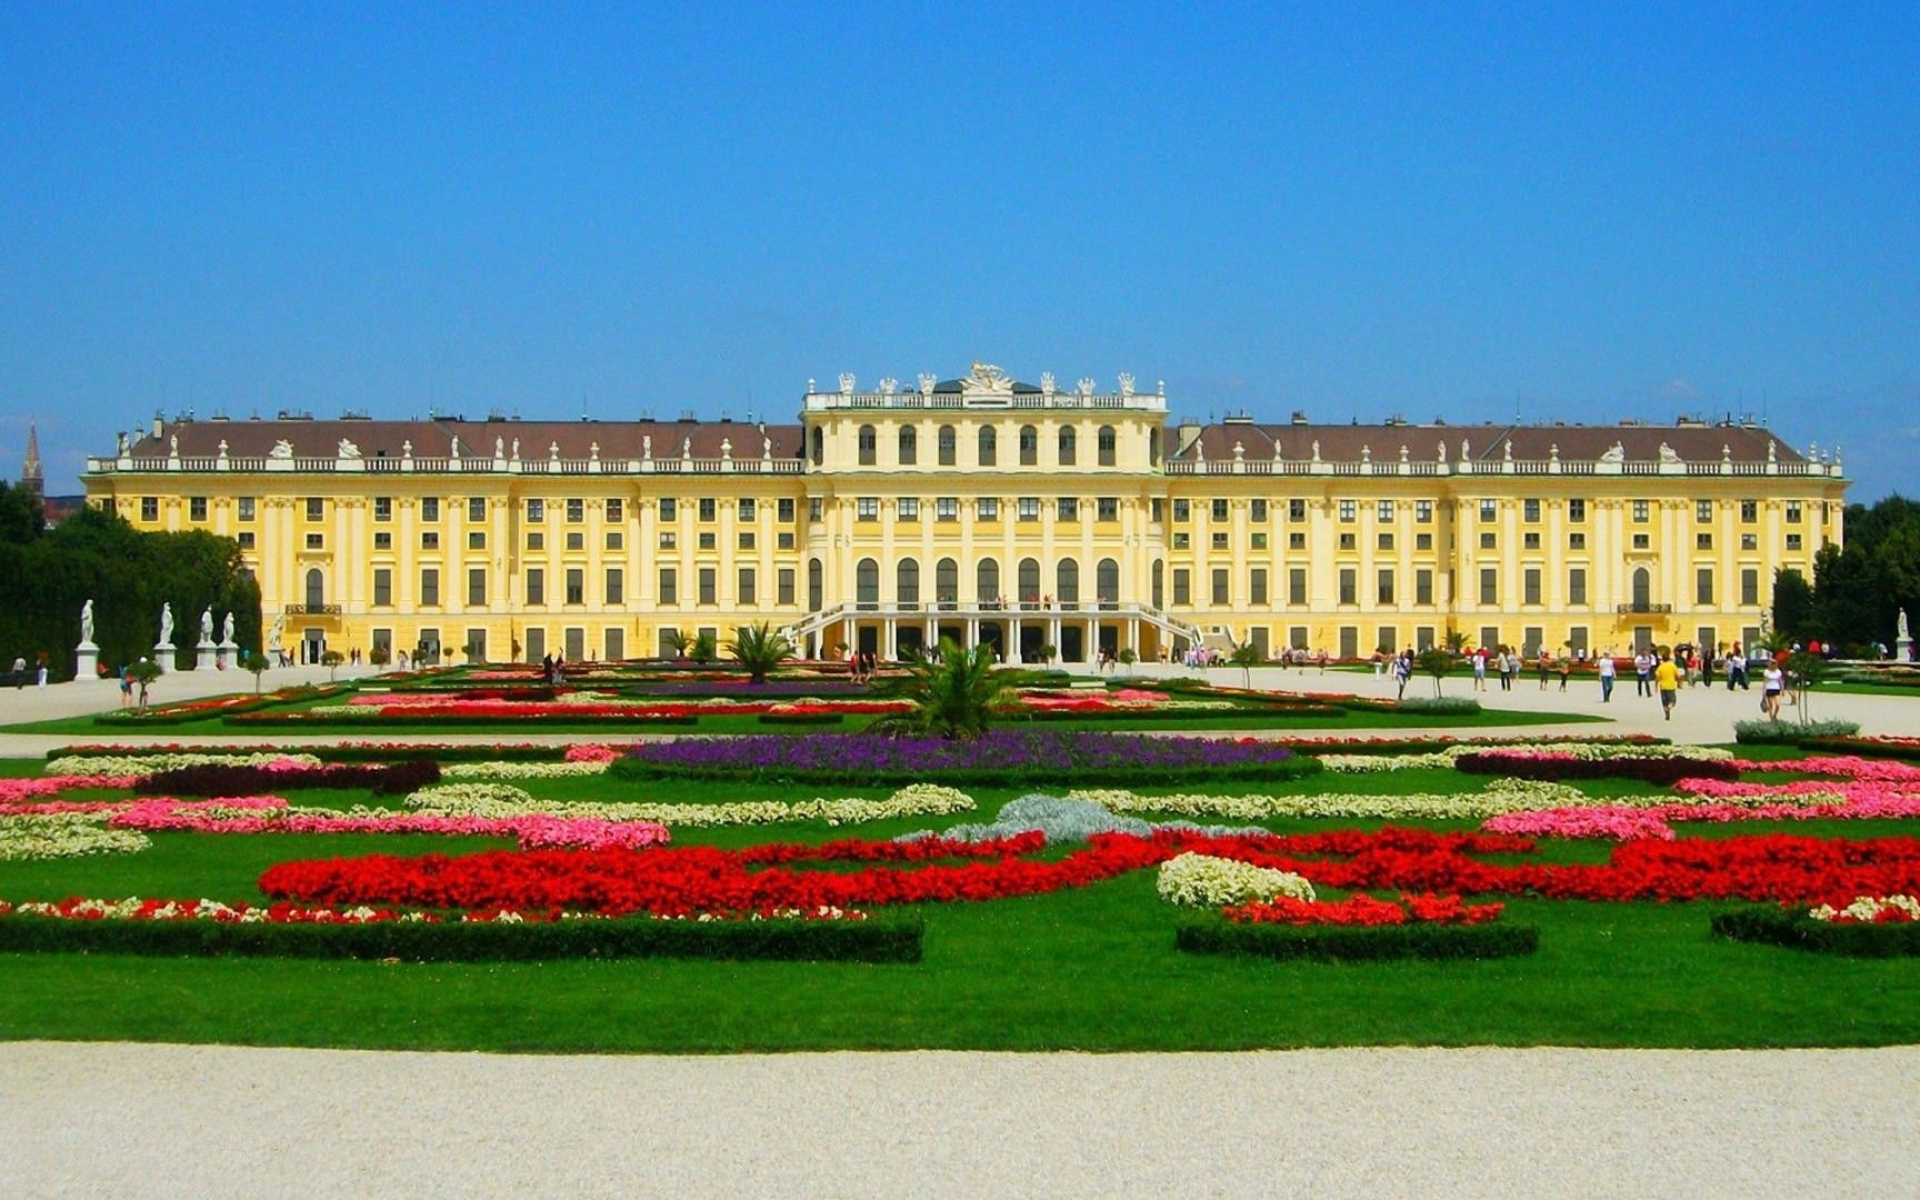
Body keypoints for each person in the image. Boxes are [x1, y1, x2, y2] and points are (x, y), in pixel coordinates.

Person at [1653, 652, 1680, 721]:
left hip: (1663, 687)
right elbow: (1677, 675)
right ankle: (1669, 707)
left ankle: (1667, 715)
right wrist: (1678, 683)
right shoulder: (1672, 666)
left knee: (1664, 702)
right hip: (1671, 686)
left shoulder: (1660, 667)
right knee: (1673, 701)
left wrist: (1656, 686)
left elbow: (1657, 677)